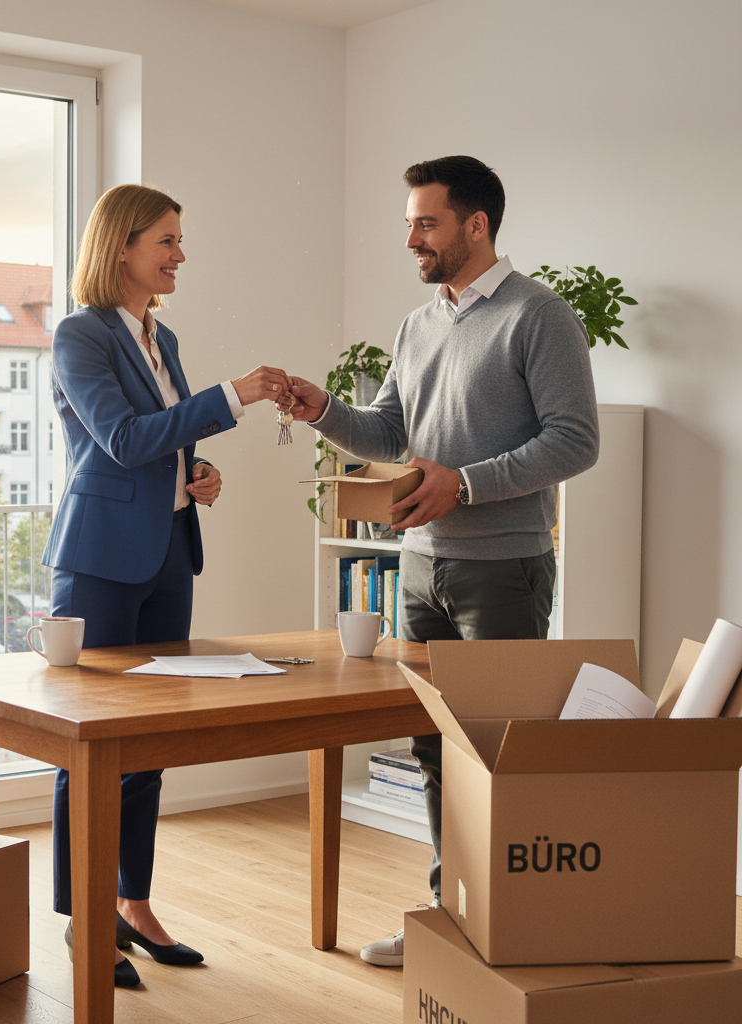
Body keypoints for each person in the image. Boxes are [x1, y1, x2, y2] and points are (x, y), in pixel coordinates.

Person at [278, 156, 599, 968]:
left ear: (475, 225)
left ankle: (510, 928)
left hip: (504, 569)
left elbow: (575, 441)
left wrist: (466, 484)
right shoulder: (418, 325)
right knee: (432, 750)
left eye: (426, 222)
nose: (411, 239)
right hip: (420, 568)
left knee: (495, 755)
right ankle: (448, 916)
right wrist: (325, 410)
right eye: (409, 223)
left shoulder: (539, 315)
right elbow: (391, 432)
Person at [41, 183, 289, 988]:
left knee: (147, 745)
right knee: (89, 746)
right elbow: (118, 439)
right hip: (100, 560)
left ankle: (135, 903)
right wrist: (233, 396)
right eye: (167, 240)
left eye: (179, 240)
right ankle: (86, 920)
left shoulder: (160, 334)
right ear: (122, 247)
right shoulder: (81, 335)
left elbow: (160, 443)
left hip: (169, 556)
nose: (181, 254)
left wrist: (196, 471)